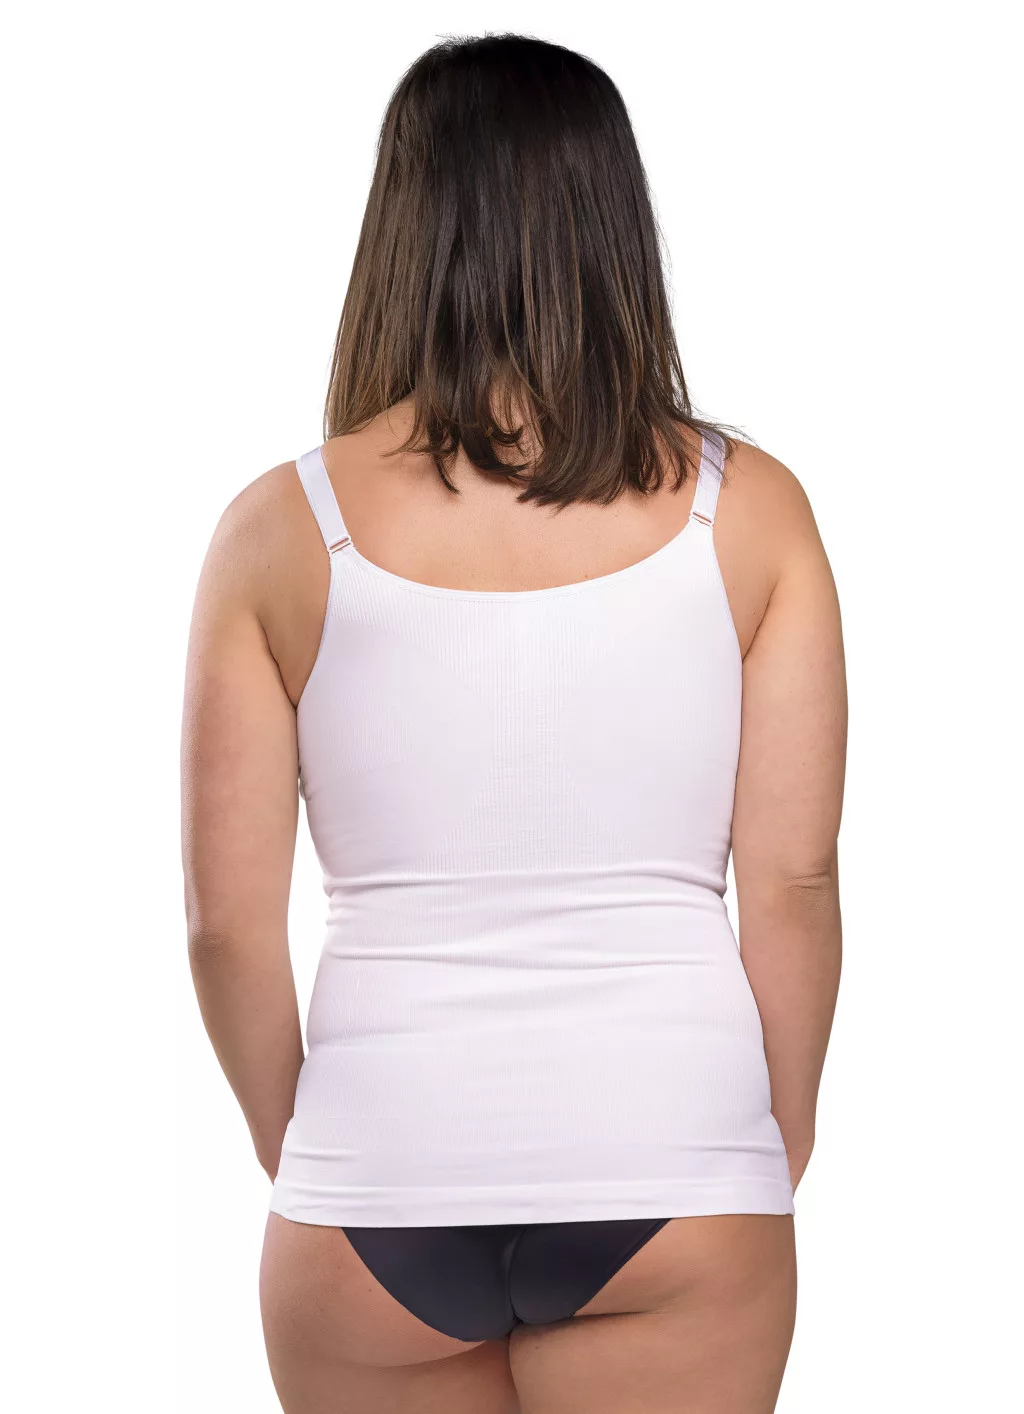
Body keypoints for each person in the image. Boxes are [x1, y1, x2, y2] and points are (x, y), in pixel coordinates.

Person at [181, 32, 846, 1414]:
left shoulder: (279, 532)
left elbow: (225, 928)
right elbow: (791, 882)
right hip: (674, 1158)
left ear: (402, 231)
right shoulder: (752, 516)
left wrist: (311, 1148)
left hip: (377, 1176)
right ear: (612, 226)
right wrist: (768, 1137)